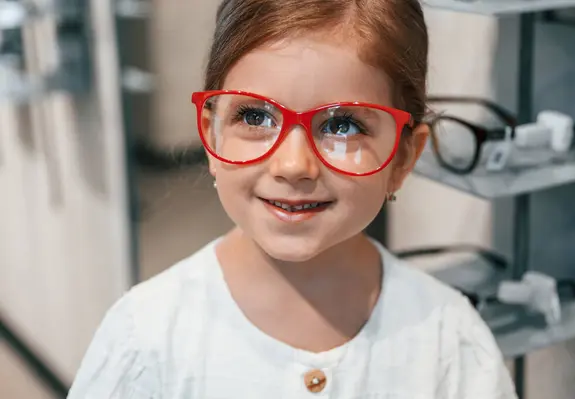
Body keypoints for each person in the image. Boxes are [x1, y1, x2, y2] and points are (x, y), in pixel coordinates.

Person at [68, 0, 517, 397]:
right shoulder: (144, 338)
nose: (293, 165)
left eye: (342, 125)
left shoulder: (449, 342)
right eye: (255, 115)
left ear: (402, 158)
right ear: (211, 137)